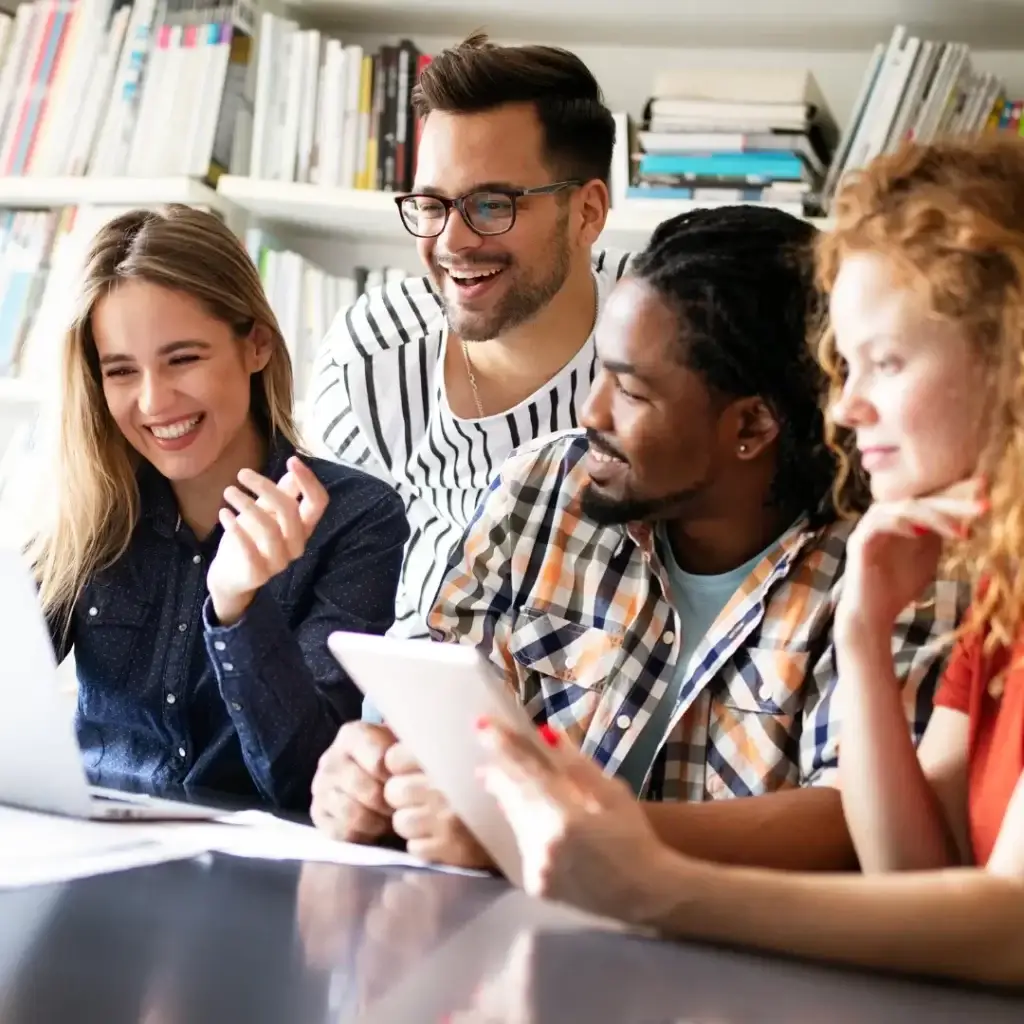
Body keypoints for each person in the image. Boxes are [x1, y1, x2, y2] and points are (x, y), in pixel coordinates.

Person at [471, 138, 1024, 990]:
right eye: (849, 364)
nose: (846, 404)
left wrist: (663, 887)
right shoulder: (999, 590)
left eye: (885, 362)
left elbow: (1008, 925)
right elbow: (916, 877)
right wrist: (863, 628)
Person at [310, 204, 967, 870]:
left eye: (629, 390)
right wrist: (370, 768)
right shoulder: (542, 487)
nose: (589, 411)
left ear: (753, 425)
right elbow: (432, 704)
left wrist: (558, 831)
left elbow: (852, 818)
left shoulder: (890, 562)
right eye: (599, 371)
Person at [25, 205, 408, 812]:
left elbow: (306, 778)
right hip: (93, 852)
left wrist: (236, 607)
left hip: (257, 881)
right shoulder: (90, 509)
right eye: (122, 371)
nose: (153, 402)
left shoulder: (361, 520)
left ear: (255, 344)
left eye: (183, 359)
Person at [308, 32, 630, 644]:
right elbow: (340, 599)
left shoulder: (672, 340)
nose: (452, 242)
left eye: (491, 205)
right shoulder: (370, 361)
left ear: (587, 213)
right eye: (432, 204)